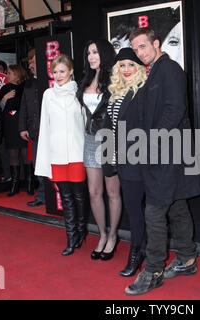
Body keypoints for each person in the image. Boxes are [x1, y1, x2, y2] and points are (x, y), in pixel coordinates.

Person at [125, 28, 200, 295]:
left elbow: (174, 110)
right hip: (169, 151)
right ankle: (187, 259)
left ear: (156, 43)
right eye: (135, 49)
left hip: (168, 152)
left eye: (142, 47)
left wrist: (151, 142)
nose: (139, 53)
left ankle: (154, 270)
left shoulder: (169, 70)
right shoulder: (153, 72)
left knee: (155, 211)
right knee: (177, 206)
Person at [35, 54, 86, 256]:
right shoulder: (48, 95)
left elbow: (85, 124)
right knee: (66, 197)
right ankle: (71, 238)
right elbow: (44, 128)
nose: (58, 75)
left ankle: (81, 233)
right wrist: (45, 158)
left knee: (80, 197)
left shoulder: (80, 93)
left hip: (77, 152)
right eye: (54, 72)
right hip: (57, 155)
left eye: (62, 71)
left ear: (71, 71)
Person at [77, 40, 122, 261]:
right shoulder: (85, 79)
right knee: (94, 192)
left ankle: (113, 236)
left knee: (112, 192)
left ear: (104, 53)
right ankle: (102, 234)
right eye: (88, 53)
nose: (91, 56)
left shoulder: (115, 78)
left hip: (109, 140)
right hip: (89, 140)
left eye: (95, 52)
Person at [107, 48, 147, 276]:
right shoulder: (116, 91)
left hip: (137, 159)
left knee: (136, 209)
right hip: (121, 159)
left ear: (138, 67)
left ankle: (137, 252)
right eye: (122, 65)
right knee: (135, 209)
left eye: (131, 65)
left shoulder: (142, 90)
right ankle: (142, 249)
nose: (126, 69)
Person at [0, 64, 32, 197]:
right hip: (10, 124)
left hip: (23, 123)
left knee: (25, 153)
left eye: (10, 73)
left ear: (17, 74)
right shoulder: (4, 88)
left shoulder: (26, 86)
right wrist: (4, 99)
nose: (7, 75)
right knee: (13, 153)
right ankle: (15, 184)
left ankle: (29, 183)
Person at [19, 48, 45, 207]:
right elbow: (23, 107)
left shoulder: (51, 80)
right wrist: (22, 127)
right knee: (38, 165)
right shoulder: (28, 84)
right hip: (34, 132)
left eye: (32, 62)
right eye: (29, 62)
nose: (30, 65)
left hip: (51, 132)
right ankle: (42, 195)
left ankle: (56, 197)